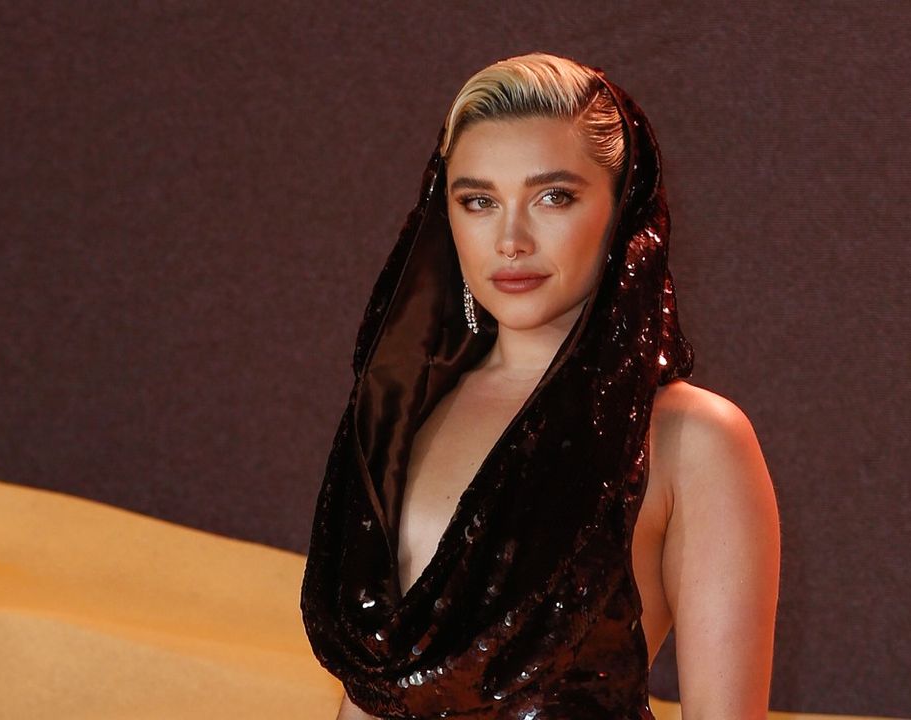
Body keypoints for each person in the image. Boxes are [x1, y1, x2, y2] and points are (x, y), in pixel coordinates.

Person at [300, 52, 780, 719]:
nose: (511, 240)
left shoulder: (692, 440)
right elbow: (374, 696)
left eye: (553, 197)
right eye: (478, 201)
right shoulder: (400, 414)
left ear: (623, 212)